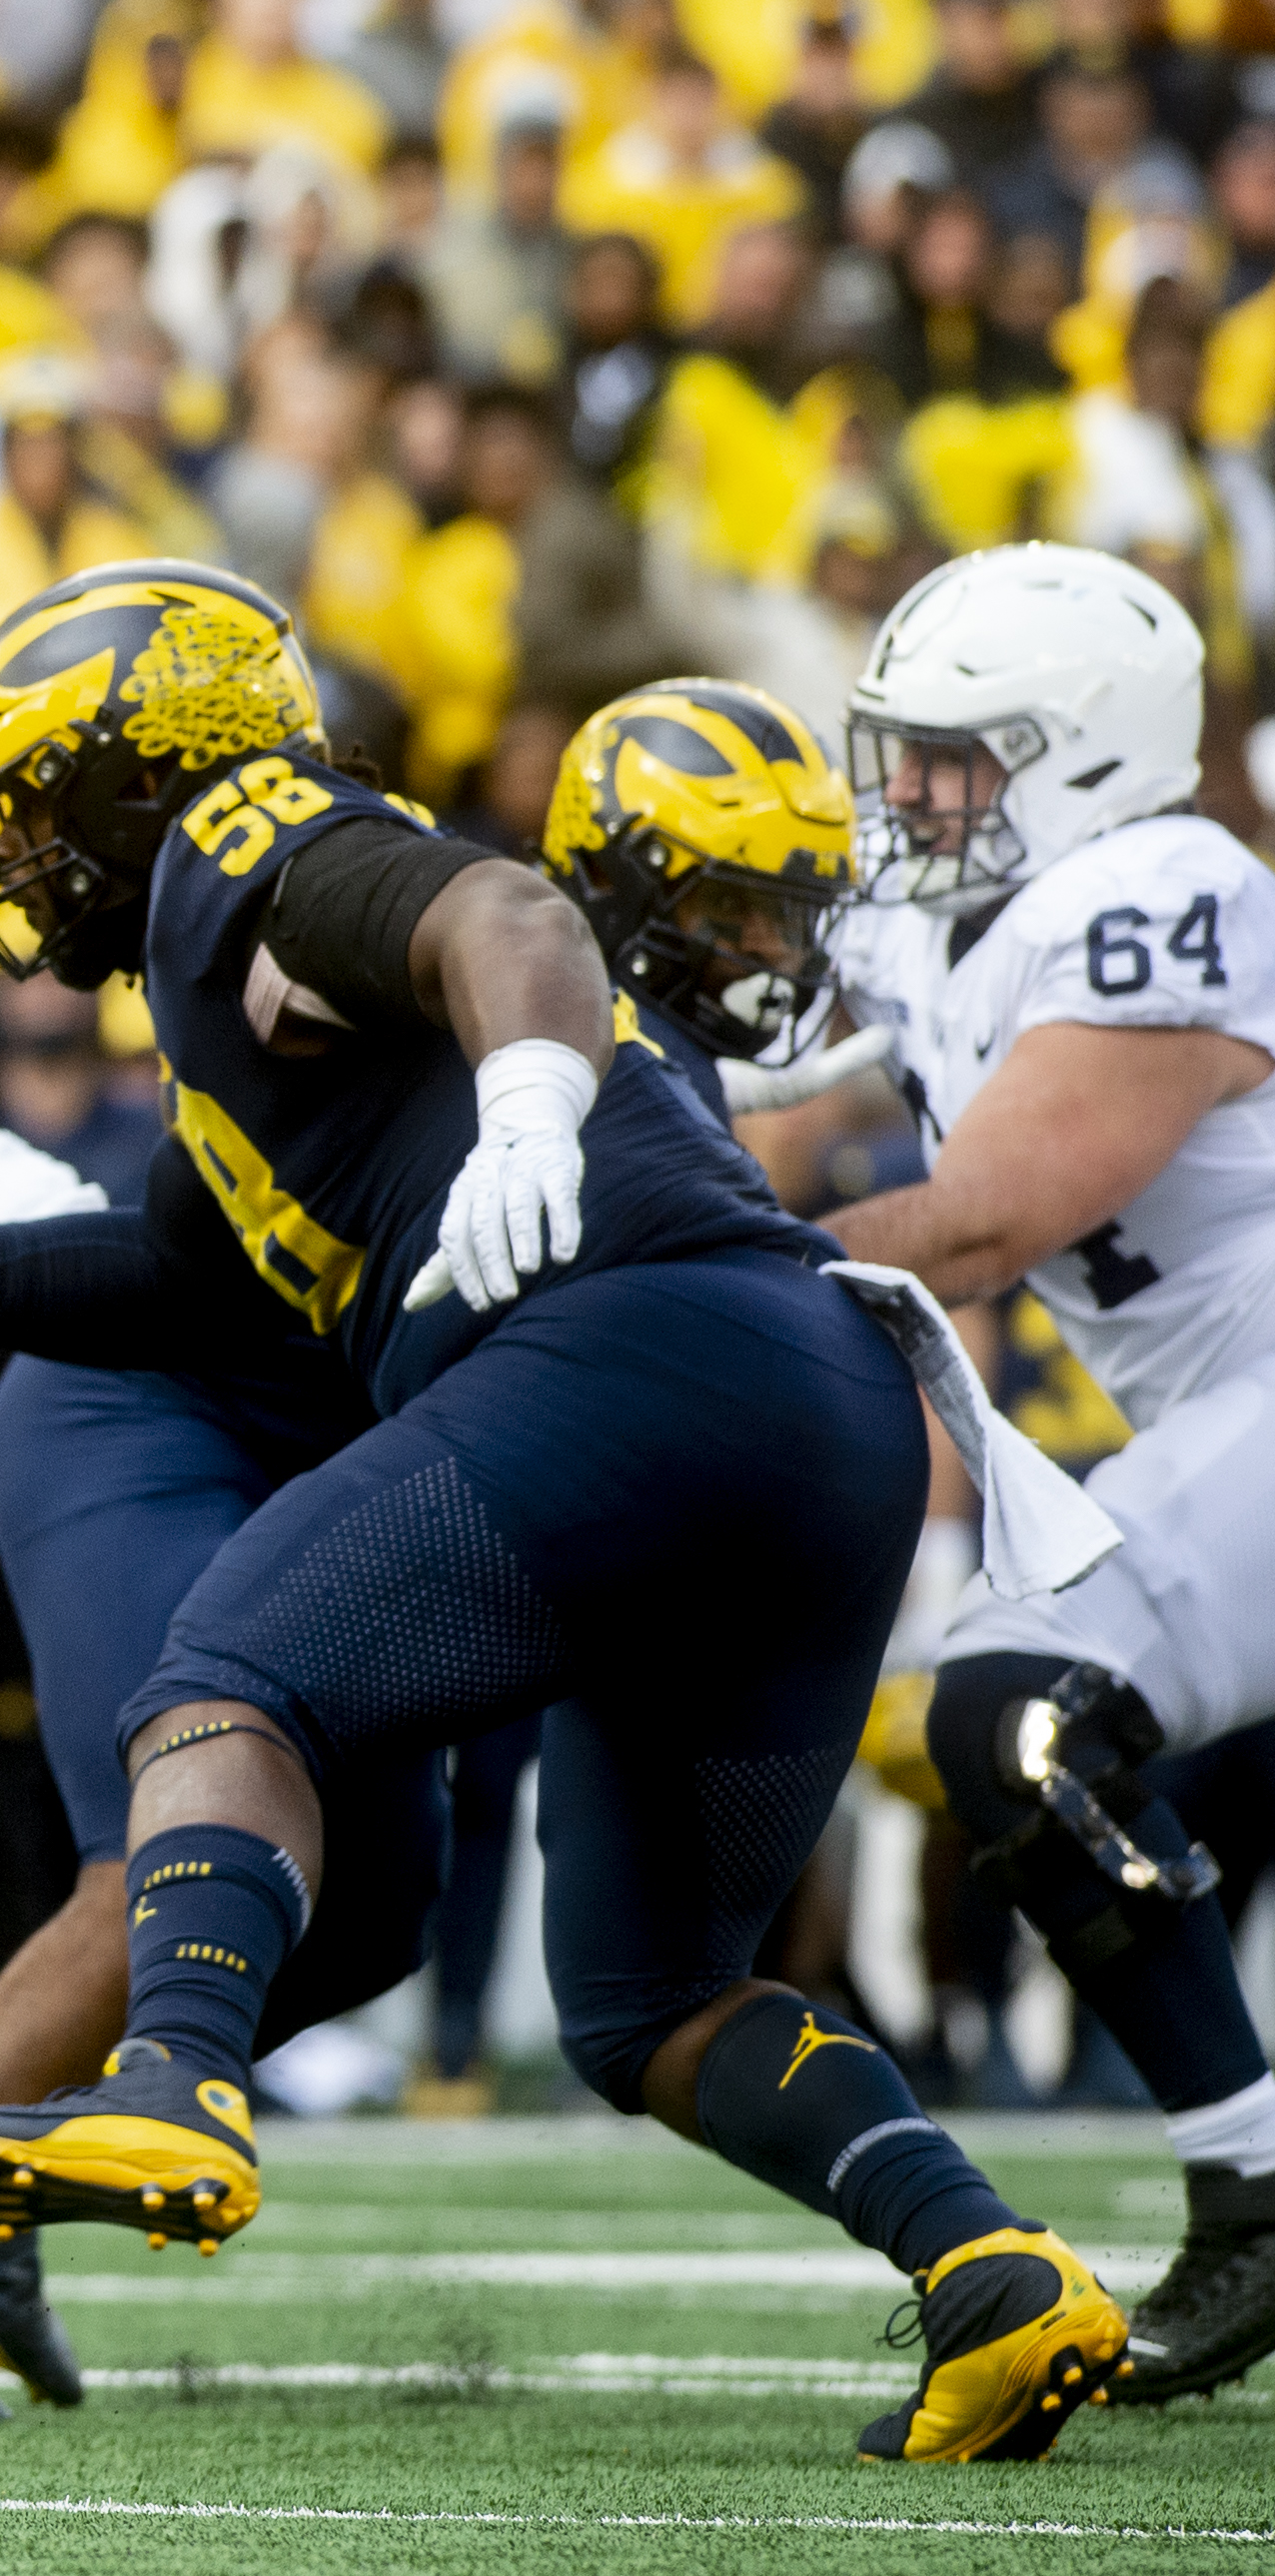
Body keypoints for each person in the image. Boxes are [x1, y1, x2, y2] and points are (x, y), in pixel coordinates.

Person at [0, 562, 1128, 2463]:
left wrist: (530, 1099)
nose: (23, 849)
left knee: (221, 1681)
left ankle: (176, 2085)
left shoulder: (237, 835)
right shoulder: (252, 1052)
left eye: (45, 795)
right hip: (820, 1413)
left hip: (626, 1356)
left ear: (149, 771)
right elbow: (183, 1278)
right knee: (651, 1992)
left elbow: (493, 904)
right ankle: (989, 2270)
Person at [0, 671, 880, 2418]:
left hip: (333, 1437)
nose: (760, 947)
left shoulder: (602, 1052)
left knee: (369, 1904)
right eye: (727, 900)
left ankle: (7, 2181)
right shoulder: (314, 879)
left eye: (776, 908)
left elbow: (202, 1239)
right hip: (160, 1420)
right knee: (182, 1796)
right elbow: (208, 1258)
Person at [823, 543, 1275, 2403]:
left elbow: (990, 1214)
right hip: (1209, 1418)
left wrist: (682, 1273)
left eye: (953, 757)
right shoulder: (949, 910)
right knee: (1006, 1711)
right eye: (897, 754)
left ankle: (1254, 2187)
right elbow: (711, 1037)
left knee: (1012, 1703)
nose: (909, 796)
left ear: (1083, 754)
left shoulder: (1165, 887)